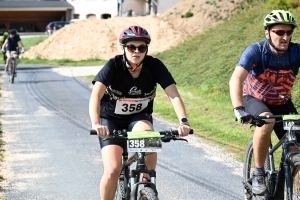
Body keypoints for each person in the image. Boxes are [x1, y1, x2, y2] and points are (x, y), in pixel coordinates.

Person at [89, 25, 191, 200]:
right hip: (110, 120)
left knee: (148, 137)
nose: (136, 51)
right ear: (124, 48)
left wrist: (183, 121)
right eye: (131, 47)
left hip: (138, 118)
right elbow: (96, 96)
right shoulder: (113, 65)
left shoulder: (155, 66)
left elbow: (173, 95)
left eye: (141, 47)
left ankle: (146, 183)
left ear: (146, 49)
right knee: (113, 170)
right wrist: (96, 124)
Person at [229, 10, 300, 195]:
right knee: (267, 121)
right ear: (267, 32)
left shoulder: (296, 52)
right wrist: (238, 108)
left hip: (282, 102)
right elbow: (236, 79)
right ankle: (259, 171)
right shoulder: (256, 51)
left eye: (289, 32)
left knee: (296, 144)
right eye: (279, 32)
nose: (285, 37)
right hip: (254, 99)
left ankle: (291, 182)